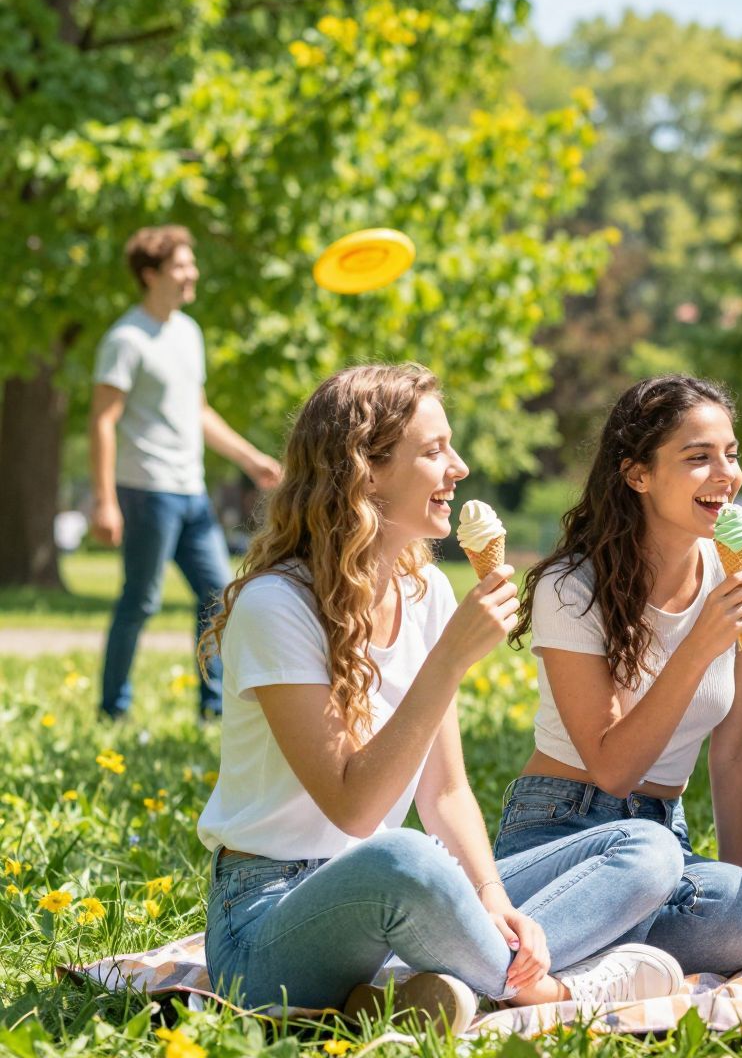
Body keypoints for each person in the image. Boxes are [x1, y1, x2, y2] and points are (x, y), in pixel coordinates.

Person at [196, 365, 686, 1027]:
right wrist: (449, 660)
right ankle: (553, 992)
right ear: (364, 472)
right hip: (268, 924)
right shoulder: (276, 605)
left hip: (404, 900)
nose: (457, 467)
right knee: (406, 856)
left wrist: (490, 896)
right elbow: (355, 808)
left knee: (645, 848)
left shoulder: (425, 595)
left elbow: (446, 792)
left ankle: (422, 983)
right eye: (433, 451)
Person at [499, 376, 742, 974]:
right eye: (698, 458)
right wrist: (698, 645)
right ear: (637, 475)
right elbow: (613, 768)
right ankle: (504, 950)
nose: (725, 474)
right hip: (560, 825)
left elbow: (737, 750)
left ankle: (555, 961)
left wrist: (741, 880)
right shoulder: (573, 587)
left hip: (663, 833)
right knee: (650, 855)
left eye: (731, 455)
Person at [90, 225, 283, 720]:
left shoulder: (189, 332)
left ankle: (214, 706)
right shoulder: (126, 339)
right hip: (146, 491)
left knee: (218, 597)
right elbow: (103, 420)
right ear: (150, 274)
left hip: (190, 490)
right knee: (141, 601)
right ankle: (114, 708)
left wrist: (249, 458)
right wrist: (105, 499)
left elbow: (198, 411)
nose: (191, 273)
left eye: (190, 263)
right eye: (180, 265)